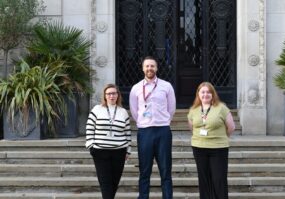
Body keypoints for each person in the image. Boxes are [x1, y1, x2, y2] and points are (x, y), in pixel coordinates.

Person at [129, 56, 176, 199]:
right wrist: (144, 122)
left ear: (157, 68)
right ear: (143, 68)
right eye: (147, 66)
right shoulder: (136, 88)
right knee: (144, 170)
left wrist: (163, 120)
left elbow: (171, 108)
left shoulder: (166, 86)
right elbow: (134, 110)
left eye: (152, 66)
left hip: (163, 131)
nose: (150, 68)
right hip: (145, 132)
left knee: (165, 170)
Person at [187, 82, 235, 199]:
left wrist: (220, 138)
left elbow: (231, 127)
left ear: (213, 94)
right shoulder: (193, 110)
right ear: (198, 94)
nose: (205, 94)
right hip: (199, 147)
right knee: (204, 179)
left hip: (218, 148)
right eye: (202, 92)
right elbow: (192, 128)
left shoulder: (221, 108)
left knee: (219, 179)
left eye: (208, 92)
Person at [85, 84, 131, 199]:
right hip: (100, 151)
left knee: (114, 182)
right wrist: (91, 145)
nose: (112, 96)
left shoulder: (123, 112)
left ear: (118, 95)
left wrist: (128, 150)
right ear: (105, 96)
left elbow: (127, 133)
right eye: (109, 94)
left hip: (119, 152)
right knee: (105, 183)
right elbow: (89, 128)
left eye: (114, 93)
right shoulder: (97, 109)